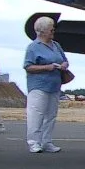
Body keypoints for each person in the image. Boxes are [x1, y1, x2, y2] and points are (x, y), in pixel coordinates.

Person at [23, 16, 70, 153]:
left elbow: (65, 60)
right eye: (51, 29)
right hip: (39, 86)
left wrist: (64, 65)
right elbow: (28, 66)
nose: (53, 31)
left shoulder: (56, 45)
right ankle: (33, 142)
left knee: (51, 115)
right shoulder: (33, 47)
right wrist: (46, 67)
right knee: (36, 114)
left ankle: (46, 141)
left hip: (54, 86)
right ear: (42, 31)